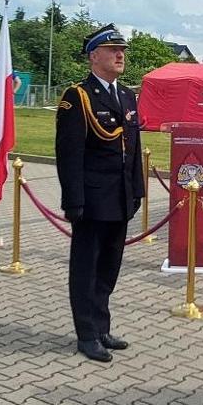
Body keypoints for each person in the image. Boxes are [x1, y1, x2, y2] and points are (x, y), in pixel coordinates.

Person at [55, 25, 145, 363]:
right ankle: (87, 335)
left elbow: (134, 147)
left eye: (122, 50)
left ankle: (103, 326)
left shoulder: (127, 95)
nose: (121, 55)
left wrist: (137, 190)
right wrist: (73, 200)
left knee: (109, 266)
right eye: (112, 50)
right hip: (92, 200)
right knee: (86, 267)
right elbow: (69, 154)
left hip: (120, 197)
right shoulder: (77, 97)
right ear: (94, 56)